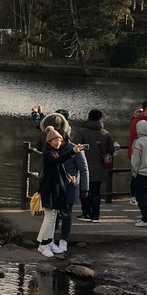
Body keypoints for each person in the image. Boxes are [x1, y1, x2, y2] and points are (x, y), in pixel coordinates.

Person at [36, 127, 86, 257]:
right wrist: (72, 152)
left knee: (52, 219)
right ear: (49, 142)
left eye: (60, 140)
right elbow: (57, 162)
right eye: (55, 140)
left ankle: (49, 241)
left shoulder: (55, 153)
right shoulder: (48, 154)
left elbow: (59, 168)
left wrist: (69, 177)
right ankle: (43, 244)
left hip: (56, 190)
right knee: (49, 219)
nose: (58, 143)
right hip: (49, 190)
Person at [71, 109, 116, 221]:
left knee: (85, 191)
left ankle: (86, 213)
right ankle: (95, 215)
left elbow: (74, 147)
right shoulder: (106, 133)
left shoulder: (82, 132)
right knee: (96, 191)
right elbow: (111, 149)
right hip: (100, 167)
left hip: (85, 167)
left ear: (89, 117)